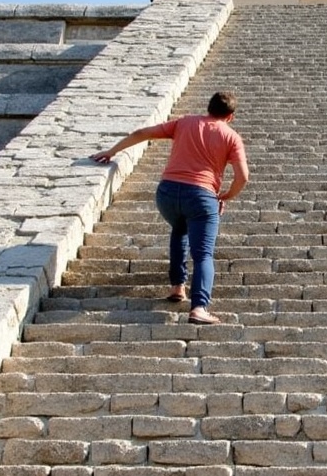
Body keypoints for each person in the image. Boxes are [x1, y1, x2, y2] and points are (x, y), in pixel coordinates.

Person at [91, 91, 249, 325]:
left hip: (166, 193)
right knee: (203, 254)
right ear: (230, 116)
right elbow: (243, 177)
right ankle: (199, 308)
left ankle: (178, 286)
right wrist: (225, 196)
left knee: (180, 228)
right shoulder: (231, 136)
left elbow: (142, 133)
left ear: (208, 108)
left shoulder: (185, 122)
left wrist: (111, 152)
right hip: (201, 196)